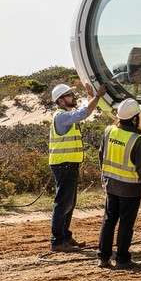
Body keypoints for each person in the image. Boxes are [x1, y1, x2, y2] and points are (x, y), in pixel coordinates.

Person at [48, 81, 105, 252]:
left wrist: (91, 97)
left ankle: (64, 236)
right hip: (63, 165)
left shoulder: (66, 114)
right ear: (60, 100)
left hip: (68, 165)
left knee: (69, 203)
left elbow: (83, 112)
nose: (73, 97)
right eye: (70, 95)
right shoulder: (61, 116)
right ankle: (57, 241)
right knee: (62, 203)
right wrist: (97, 96)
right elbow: (84, 113)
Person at [97, 98, 141, 270]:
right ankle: (122, 259)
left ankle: (103, 258)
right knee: (126, 223)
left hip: (110, 184)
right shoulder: (137, 139)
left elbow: (101, 154)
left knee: (109, 220)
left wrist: (105, 176)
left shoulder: (108, 131)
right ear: (135, 118)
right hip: (130, 188)